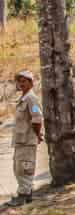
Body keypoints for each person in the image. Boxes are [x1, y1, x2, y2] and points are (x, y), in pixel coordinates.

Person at [8, 70, 43, 207]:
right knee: (18, 168)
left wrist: (37, 134)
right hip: (20, 140)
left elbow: (37, 119)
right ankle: (25, 194)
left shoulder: (31, 99)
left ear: (31, 82)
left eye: (24, 81)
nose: (21, 84)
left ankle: (24, 195)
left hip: (27, 140)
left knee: (24, 167)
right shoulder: (23, 98)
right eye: (19, 81)